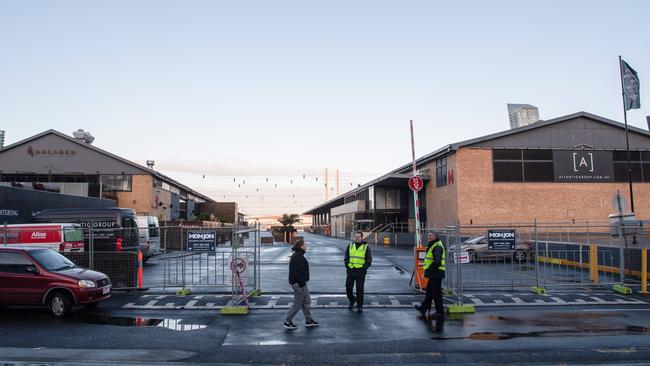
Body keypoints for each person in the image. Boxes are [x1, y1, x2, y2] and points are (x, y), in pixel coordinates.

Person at [284, 239, 319, 330]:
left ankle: (309, 320)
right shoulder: (298, 256)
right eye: (305, 244)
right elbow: (297, 272)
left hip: (301, 283)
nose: (306, 246)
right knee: (297, 304)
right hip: (299, 284)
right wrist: (302, 283)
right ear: (301, 246)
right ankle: (288, 321)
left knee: (307, 301)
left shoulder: (298, 255)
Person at [415, 231, 446, 319]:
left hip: (436, 273)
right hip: (434, 273)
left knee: (436, 294)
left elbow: (437, 261)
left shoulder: (437, 246)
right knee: (429, 292)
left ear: (435, 237)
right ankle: (424, 308)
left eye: (430, 236)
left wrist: (429, 269)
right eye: (428, 235)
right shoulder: (433, 245)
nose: (428, 237)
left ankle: (439, 312)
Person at [345, 231, 372, 313]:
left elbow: (369, 260)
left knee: (359, 290)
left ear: (362, 238)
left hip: (360, 272)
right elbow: (346, 258)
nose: (356, 238)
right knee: (348, 288)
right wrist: (348, 267)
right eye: (355, 237)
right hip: (351, 271)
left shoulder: (366, 247)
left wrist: (363, 269)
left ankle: (360, 306)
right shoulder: (350, 245)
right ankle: (352, 300)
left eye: (358, 237)